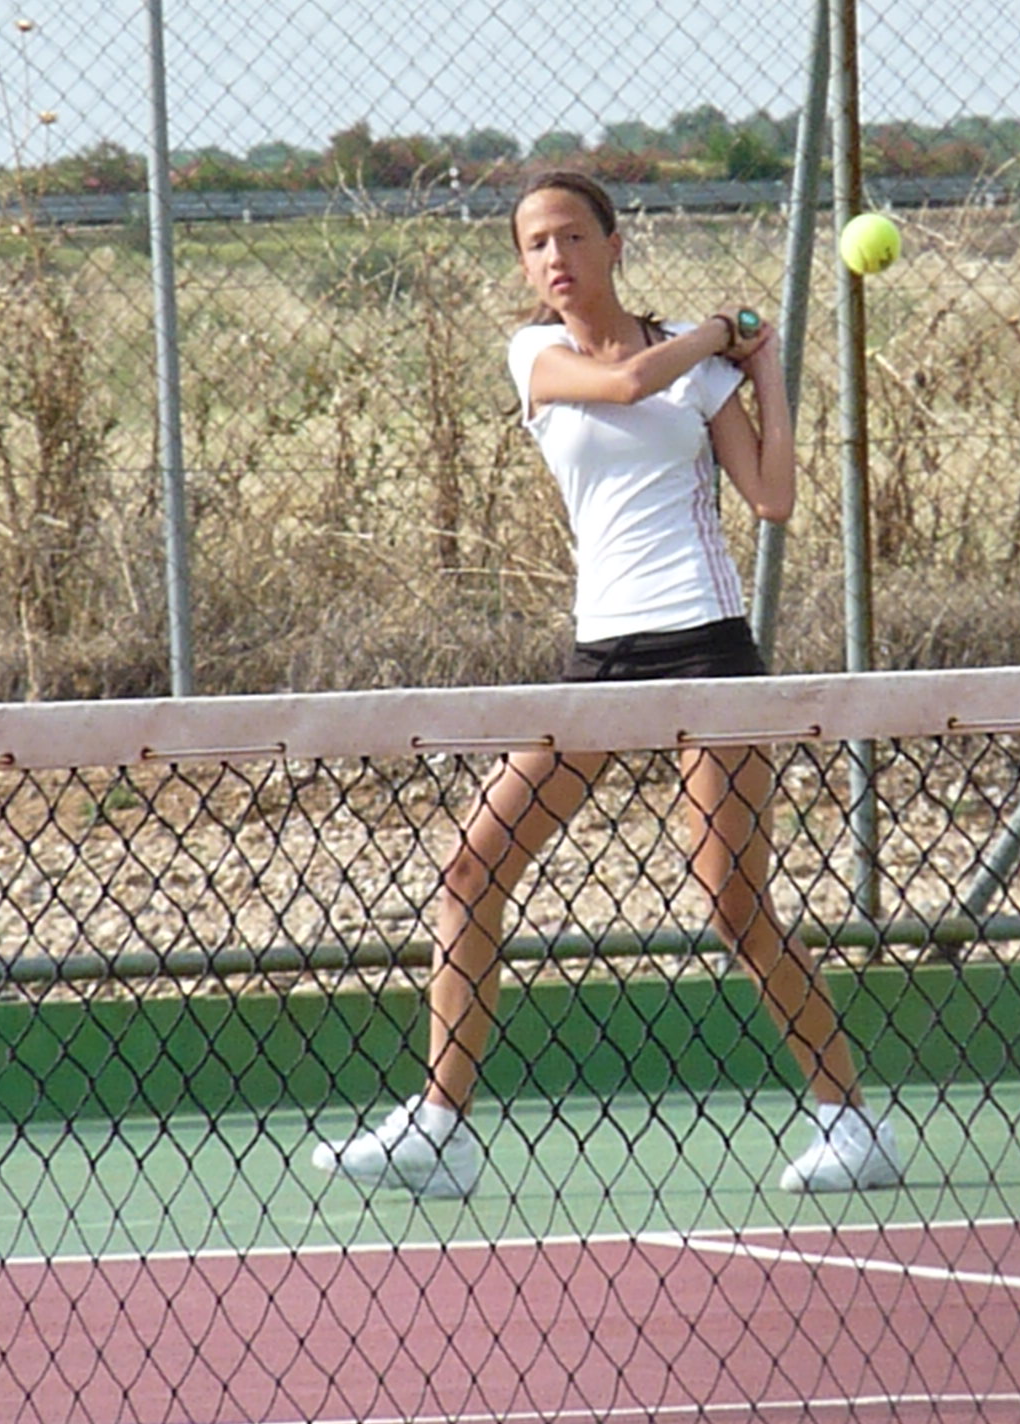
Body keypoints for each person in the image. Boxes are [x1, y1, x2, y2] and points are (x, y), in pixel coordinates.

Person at [310, 170, 901, 1199]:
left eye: (573, 236)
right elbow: (625, 384)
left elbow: (770, 498)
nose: (555, 257)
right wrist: (716, 332)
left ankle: (851, 1123)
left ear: (614, 245)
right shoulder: (535, 356)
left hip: (707, 653)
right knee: (471, 870)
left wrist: (758, 366)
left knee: (732, 902)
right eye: (536, 243)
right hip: (600, 661)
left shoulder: (699, 370)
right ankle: (441, 1128)